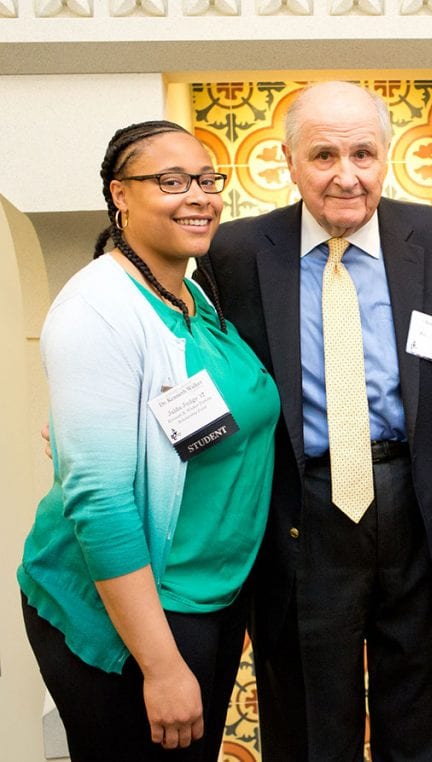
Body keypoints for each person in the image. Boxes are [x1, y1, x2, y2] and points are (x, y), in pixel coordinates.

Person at [194, 81, 432, 761]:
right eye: (324, 155)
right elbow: (197, 380)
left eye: (364, 153)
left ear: (387, 156)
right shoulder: (232, 254)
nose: (346, 175)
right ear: (289, 161)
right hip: (301, 514)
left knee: (421, 725)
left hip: (422, 510)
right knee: (306, 725)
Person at [19, 120, 280, 761]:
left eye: (207, 179)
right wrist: (161, 666)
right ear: (120, 195)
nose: (197, 195)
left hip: (206, 597)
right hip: (138, 612)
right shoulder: (98, 309)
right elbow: (100, 503)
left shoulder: (190, 291)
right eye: (170, 181)